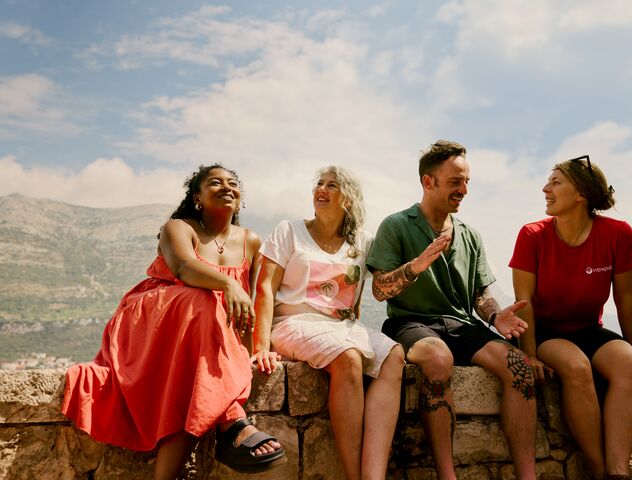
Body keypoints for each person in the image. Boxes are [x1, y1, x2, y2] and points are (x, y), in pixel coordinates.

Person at [61, 164, 286, 480]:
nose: (226, 187)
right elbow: (183, 268)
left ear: (241, 197)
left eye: (233, 183)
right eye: (215, 182)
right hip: (155, 318)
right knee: (206, 299)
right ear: (197, 197)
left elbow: (253, 303)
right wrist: (229, 284)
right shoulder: (179, 228)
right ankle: (232, 419)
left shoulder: (251, 242)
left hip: (206, 331)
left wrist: (256, 350)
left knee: (190, 385)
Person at [366, 140, 537, 480]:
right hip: (410, 322)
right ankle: (448, 475)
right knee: (438, 359)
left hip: (460, 323)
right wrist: (416, 266)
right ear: (428, 182)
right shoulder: (396, 225)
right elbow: (380, 289)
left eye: (467, 182)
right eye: (456, 181)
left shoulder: (470, 235)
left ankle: (528, 475)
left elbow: (479, 294)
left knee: (519, 366)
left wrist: (494, 316)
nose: (464, 190)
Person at [254, 165, 405, 480]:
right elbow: (265, 287)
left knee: (394, 356)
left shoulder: (364, 242)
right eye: (319, 184)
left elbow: (368, 292)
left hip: (343, 328)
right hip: (293, 322)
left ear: (347, 199)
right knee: (348, 358)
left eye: (331, 185)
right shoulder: (289, 231)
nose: (321, 189)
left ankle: (373, 474)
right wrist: (260, 344)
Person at [510, 155, 632, 480]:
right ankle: (600, 470)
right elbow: (524, 303)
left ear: (581, 194)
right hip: (545, 331)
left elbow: (625, 302)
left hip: (590, 329)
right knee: (576, 367)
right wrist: (529, 355)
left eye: (555, 182)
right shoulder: (532, 235)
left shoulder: (619, 234)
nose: (545, 188)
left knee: (629, 367)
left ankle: (619, 472)